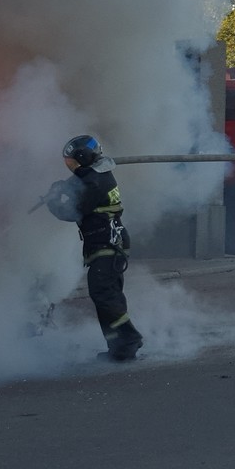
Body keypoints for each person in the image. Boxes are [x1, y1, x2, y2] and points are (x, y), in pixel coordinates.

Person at [44, 135, 144, 361]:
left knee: (103, 293)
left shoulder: (94, 183)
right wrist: (62, 186)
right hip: (106, 243)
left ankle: (129, 339)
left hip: (108, 244)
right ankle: (119, 348)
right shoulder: (96, 174)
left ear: (83, 158)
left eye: (72, 161)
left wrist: (53, 201)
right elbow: (78, 182)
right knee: (106, 295)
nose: (70, 166)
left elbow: (71, 211)